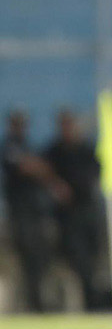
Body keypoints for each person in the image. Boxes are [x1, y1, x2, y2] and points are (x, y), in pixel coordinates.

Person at [1, 111, 67, 312]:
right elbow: (26, 167)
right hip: (20, 214)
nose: (21, 127)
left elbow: (40, 167)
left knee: (40, 260)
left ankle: (39, 303)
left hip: (36, 213)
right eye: (17, 123)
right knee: (25, 261)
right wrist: (39, 167)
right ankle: (31, 304)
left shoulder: (28, 146)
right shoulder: (9, 145)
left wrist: (39, 168)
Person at [46, 110, 109, 311]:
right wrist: (55, 185)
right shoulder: (54, 151)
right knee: (77, 259)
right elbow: (43, 171)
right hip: (68, 216)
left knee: (92, 258)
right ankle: (86, 302)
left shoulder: (86, 149)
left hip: (88, 211)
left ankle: (93, 301)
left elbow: (98, 172)